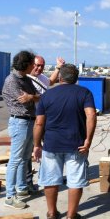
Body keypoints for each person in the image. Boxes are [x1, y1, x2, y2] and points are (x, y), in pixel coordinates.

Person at [33, 64, 97, 219]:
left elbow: (39, 123)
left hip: (51, 144)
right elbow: (91, 115)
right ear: (76, 79)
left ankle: (52, 213)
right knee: (75, 181)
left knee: (50, 180)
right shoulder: (84, 92)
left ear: (60, 77)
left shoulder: (47, 95)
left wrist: (36, 145)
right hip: (77, 145)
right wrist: (88, 140)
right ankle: (70, 216)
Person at [2, 50, 39, 209]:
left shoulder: (25, 79)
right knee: (15, 160)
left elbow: (36, 96)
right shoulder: (12, 80)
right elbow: (24, 100)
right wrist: (32, 97)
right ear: (26, 64)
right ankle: (10, 195)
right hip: (20, 123)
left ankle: (22, 188)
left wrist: (32, 97)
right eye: (32, 64)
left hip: (29, 121)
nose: (34, 66)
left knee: (25, 158)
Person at [25, 55, 65, 192]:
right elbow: (32, 98)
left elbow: (51, 82)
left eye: (41, 66)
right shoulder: (26, 79)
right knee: (31, 150)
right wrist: (47, 98)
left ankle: (46, 176)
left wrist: (58, 67)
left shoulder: (41, 77)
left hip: (45, 119)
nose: (39, 68)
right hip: (33, 119)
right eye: (36, 65)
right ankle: (28, 182)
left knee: (47, 148)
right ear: (31, 64)